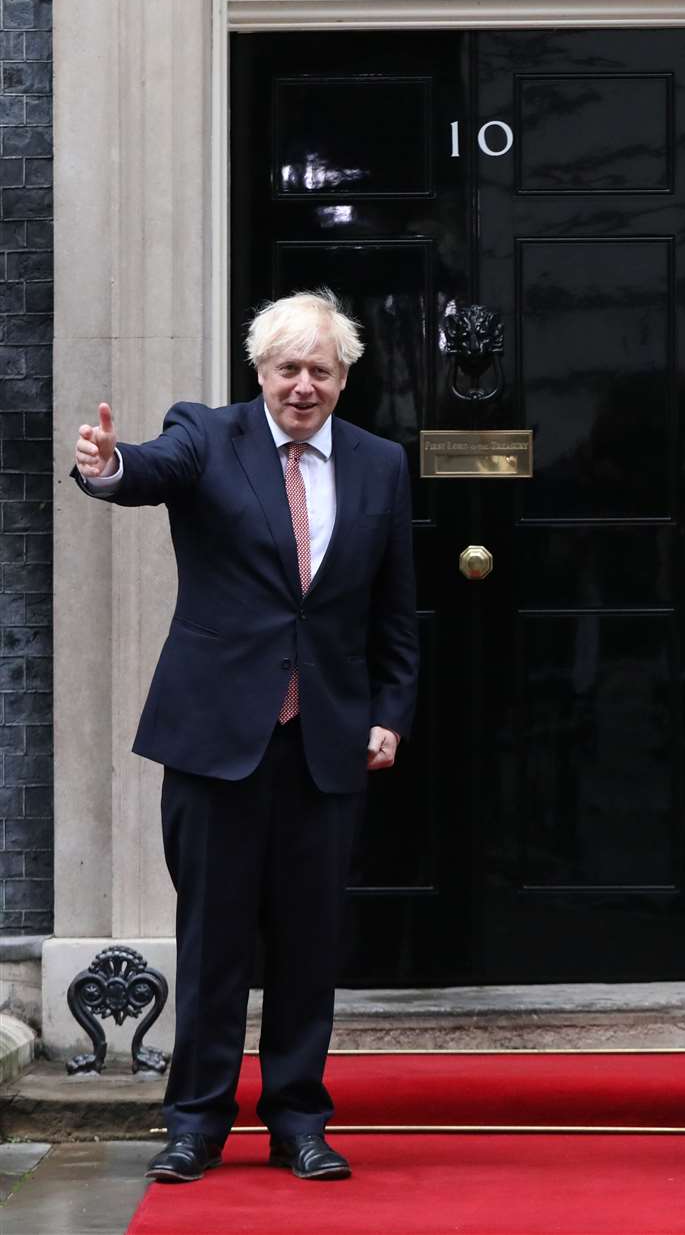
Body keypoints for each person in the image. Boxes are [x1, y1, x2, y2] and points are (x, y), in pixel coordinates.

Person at [72, 290, 419, 1183]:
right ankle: (194, 1122)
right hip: (218, 738)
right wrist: (109, 465)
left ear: (345, 377)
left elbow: (394, 608)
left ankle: (300, 1118)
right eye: (287, 368)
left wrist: (390, 711)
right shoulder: (209, 434)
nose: (303, 385)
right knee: (214, 938)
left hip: (327, 738)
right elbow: (146, 471)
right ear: (259, 371)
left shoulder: (379, 464)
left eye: (321, 370)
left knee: (310, 943)